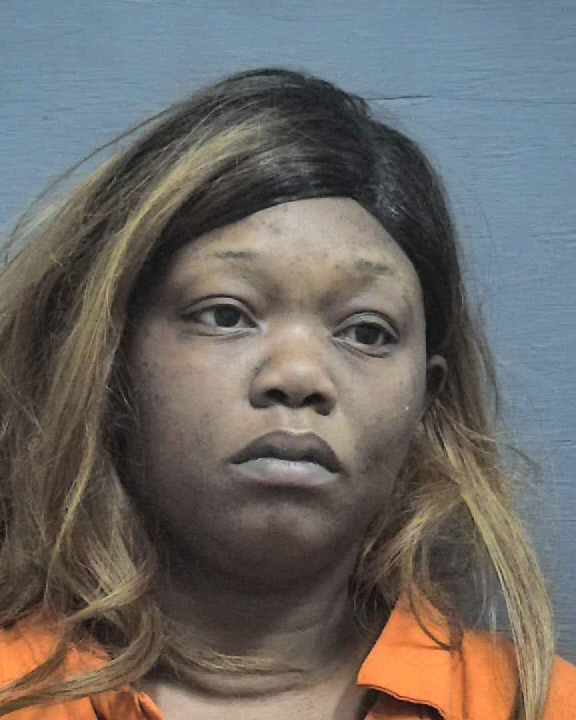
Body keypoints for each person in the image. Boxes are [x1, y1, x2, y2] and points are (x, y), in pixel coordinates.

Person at [0, 68, 573, 720]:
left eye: (366, 331)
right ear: (108, 364)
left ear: (425, 402)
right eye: (225, 314)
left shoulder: (538, 706)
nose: (299, 376)